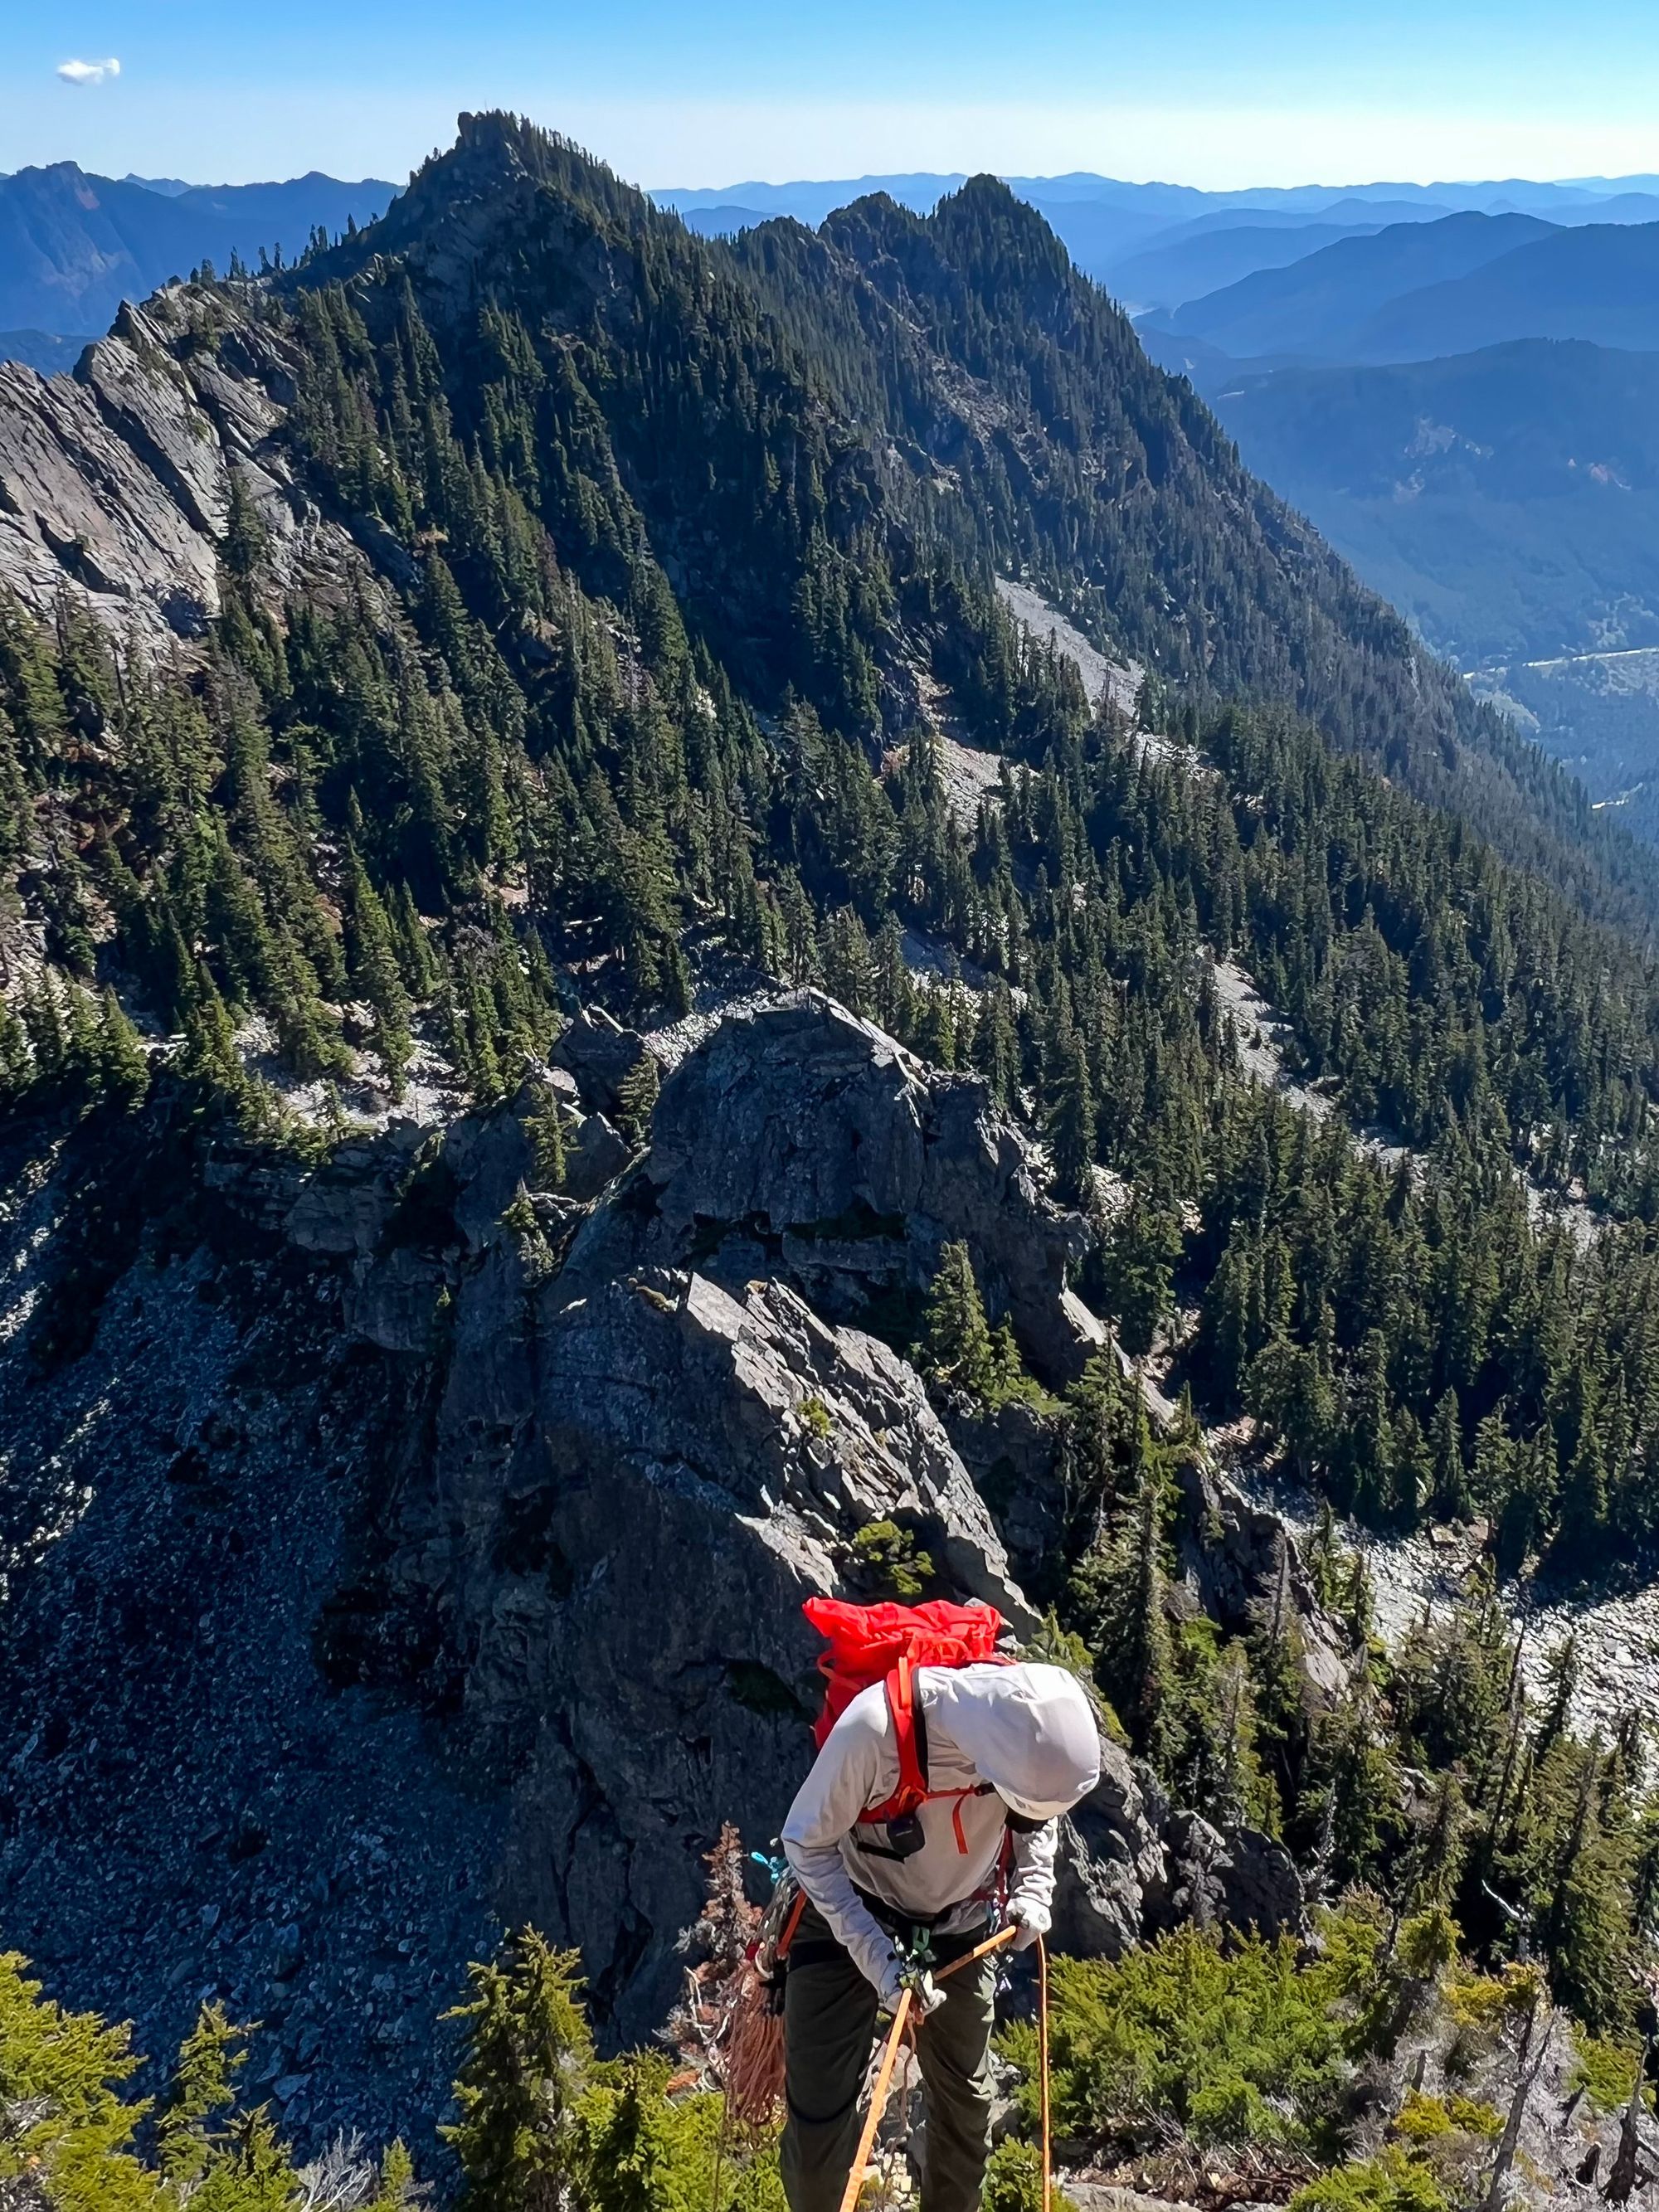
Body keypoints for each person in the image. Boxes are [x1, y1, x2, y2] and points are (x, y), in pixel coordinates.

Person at [779, 1658, 1102, 2212]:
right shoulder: (874, 1731)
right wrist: (880, 1961)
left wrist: (1033, 1886)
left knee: (966, 2115)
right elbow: (807, 1843)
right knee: (817, 2129)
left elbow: (1035, 1814)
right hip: (849, 1915)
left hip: (958, 1921)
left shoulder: (1016, 1739)